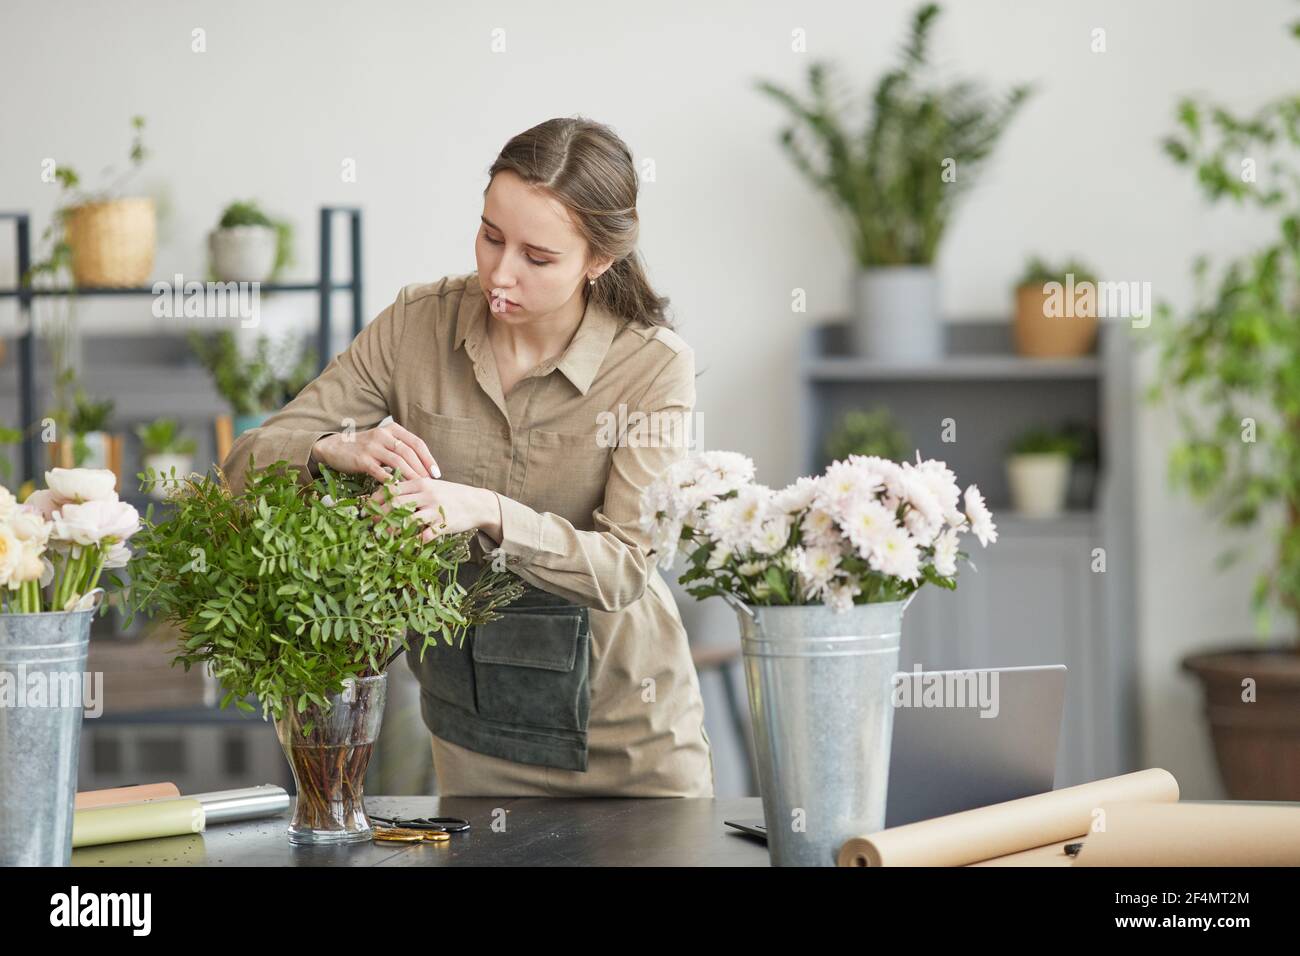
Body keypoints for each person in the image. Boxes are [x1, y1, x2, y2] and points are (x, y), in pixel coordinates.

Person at [221, 116, 715, 798]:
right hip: (473, 736)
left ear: (599, 261)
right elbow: (246, 462)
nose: (500, 273)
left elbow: (626, 568)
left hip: (629, 733)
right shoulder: (416, 324)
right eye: (490, 236)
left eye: (538, 258)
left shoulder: (652, 367)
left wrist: (483, 510)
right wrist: (332, 448)